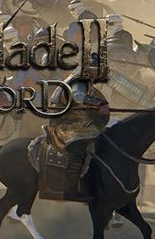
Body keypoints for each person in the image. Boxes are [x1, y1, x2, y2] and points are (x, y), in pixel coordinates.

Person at [46, 53, 109, 201]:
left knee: (100, 137)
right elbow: (76, 96)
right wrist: (98, 103)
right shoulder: (79, 81)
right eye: (95, 71)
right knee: (79, 148)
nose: (98, 74)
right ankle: (70, 190)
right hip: (61, 125)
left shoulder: (86, 82)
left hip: (73, 122)